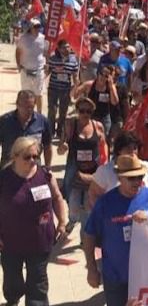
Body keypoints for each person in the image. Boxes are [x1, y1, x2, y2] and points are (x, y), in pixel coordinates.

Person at [0, 137, 68, 306]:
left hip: (40, 240)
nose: (33, 161)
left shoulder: (45, 175)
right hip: (10, 240)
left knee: (38, 280)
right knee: (12, 277)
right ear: (15, 157)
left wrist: (62, 221)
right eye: (27, 157)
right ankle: (13, 297)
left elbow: (57, 198)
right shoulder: (3, 178)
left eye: (36, 156)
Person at [84, 155, 148, 306]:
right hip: (115, 277)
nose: (137, 182)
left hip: (145, 276)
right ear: (119, 178)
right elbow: (89, 235)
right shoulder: (105, 202)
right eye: (132, 178)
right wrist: (92, 269)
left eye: (140, 177)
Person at [57, 97, 107, 235]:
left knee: (88, 206)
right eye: (82, 110)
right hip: (75, 173)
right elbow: (60, 149)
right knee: (73, 205)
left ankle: (84, 236)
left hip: (92, 173)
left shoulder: (98, 126)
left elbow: (103, 145)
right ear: (77, 111)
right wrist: (63, 146)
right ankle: (72, 221)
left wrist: (104, 161)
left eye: (89, 111)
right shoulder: (70, 125)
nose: (85, 114)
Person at [89, 131, 148, 208]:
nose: (132, 152)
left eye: (135, 148)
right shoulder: (105, 171)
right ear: (119, 150)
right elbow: (93, 194)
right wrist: (101, 214)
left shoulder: (147, 167)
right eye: (128, 148)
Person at [0, 90, 53, 168]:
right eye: (24, 106)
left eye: (31, 107)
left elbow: (47, 146)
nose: (28, 110)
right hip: (9, 169)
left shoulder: (43, 122)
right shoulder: (4, 121)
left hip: (33, 167)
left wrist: (48, 167)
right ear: (17, 104)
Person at [73, 64, 120, 137]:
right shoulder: (90, 85)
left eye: (106, 76)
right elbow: (74, 96)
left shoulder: (110, 87)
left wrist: (111, 88)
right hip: (90, 115)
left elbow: (115, 102)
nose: (103, 77)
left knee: (103, 138)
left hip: (104, 117)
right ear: (98, 74)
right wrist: (76, 85)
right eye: (102, 74)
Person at [46, 39, 79, 138]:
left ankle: (60, 131)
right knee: (52, 110)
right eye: (64, 47)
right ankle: (50, 131)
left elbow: (74, 74)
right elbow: (48, 72)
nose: (67, 49)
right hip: (53, 88)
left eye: (68, 46)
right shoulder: (53, 58)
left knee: (63, 111)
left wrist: (76, 83)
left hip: (65, 89)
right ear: (59, 49)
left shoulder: (73, 60)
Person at [15, 18, 46, 112]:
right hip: (26, 70)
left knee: (39, 94)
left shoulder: (43, 38)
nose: (37, 28)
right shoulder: (23, 38)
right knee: (25, 94)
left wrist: (47, 63)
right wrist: (18, 64)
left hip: (39, 69)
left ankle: (39, 114)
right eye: (35, 26)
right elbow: (18, 51)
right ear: (31, 27)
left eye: (38, 26)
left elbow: (46, 52)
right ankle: (25, 112)